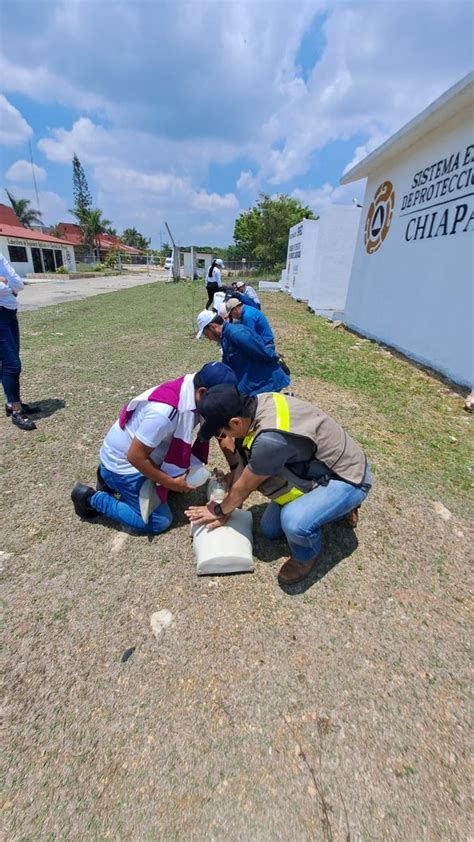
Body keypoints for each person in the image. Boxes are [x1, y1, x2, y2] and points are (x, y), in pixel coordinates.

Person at [185, 385, 372, 586]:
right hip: (315, 469)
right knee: (270, 529)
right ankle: (332, 508)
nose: (223, 438)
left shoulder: (269, 438)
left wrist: (220, 509)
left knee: (294, 522)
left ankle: (307, 555)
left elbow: (246, 485)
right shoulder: (256, 406)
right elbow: (244, 466)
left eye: (222, 433)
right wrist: (228, 494)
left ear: (235, 422)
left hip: (347, 476)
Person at [70, 362, 238, 534]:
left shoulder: (195, 391)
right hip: (124, 465)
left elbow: (221, 431)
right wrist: (170, 482)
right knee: (158, 521)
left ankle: (113, 481)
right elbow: (135, 456)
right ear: (202, 392)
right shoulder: (164, 412)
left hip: (147, 455)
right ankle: (92, 498)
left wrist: (236, 469)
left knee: (188, 478)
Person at [196, 311, 290, 395]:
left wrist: (276, 356)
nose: (209, 339)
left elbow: (261, 353)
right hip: (252, 383)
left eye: (206, 334)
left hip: (266, 382)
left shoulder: (236, 334)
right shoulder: (225, 337)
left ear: (212, 326)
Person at [0, 252, 40, 431]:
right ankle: (16, 411)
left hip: (10, 312)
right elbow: (6, 287)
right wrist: (7, 286)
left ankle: (12, 403)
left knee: (11, 361)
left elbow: (17, 282)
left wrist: (7, 284)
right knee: (12, 364)